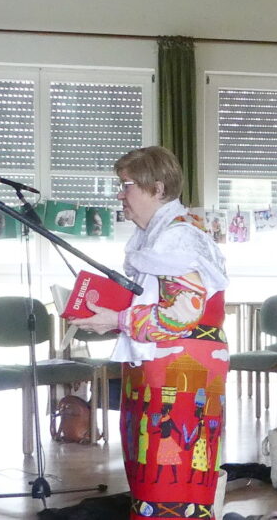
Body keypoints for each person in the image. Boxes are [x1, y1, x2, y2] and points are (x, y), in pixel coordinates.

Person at [72, 146, 229, 520]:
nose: (119, 195)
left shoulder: (177, 237)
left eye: (126, 185)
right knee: (150, 471)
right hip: (158, 363)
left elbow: (182, 313)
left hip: (180, 368)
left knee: (172, 477)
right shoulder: (159, 235)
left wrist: (117, 320)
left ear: (157, 188)